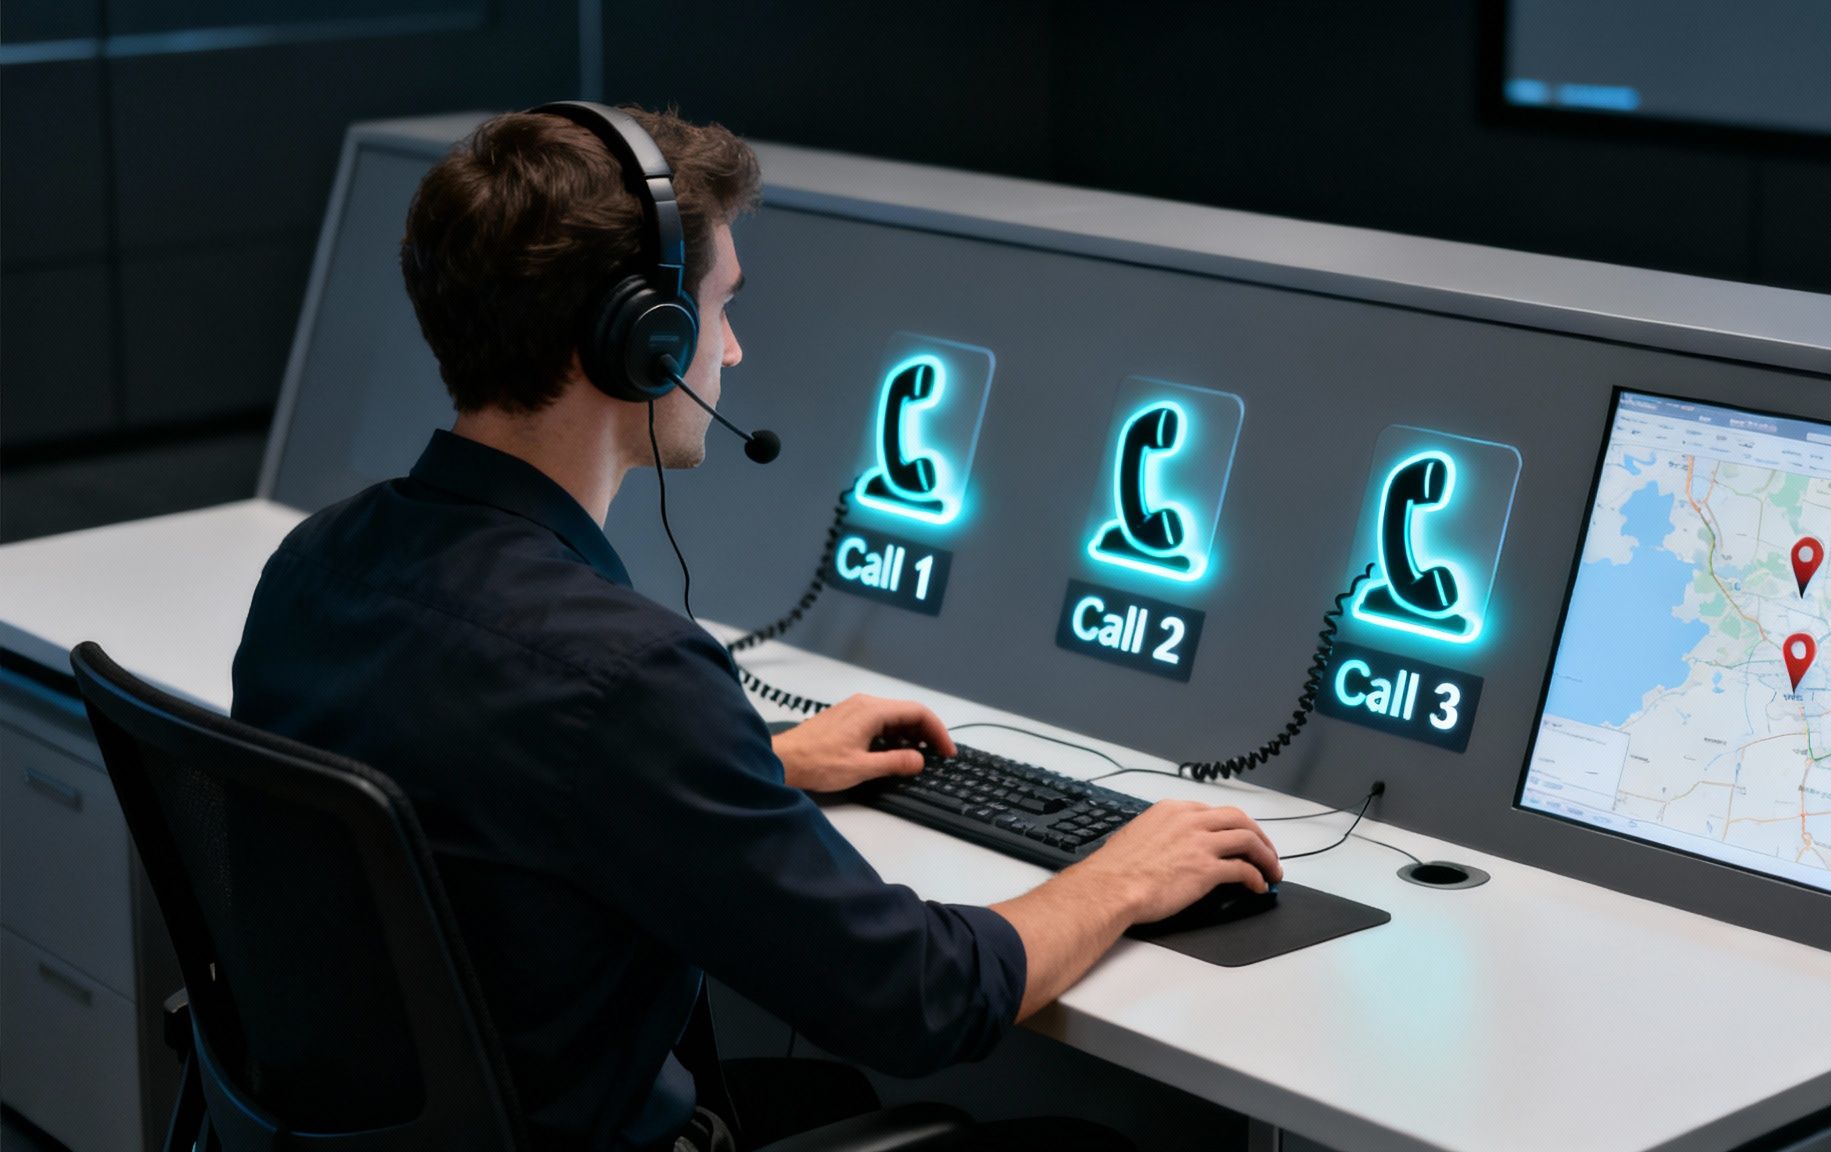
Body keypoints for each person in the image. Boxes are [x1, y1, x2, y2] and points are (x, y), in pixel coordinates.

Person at [231, 103, 1281, 1152]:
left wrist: (754, 766)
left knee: (816, 1096)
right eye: (718, 307)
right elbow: (914, 997)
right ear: (641, 340)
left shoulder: (314, 566)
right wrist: (1121, 876)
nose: (730, 349)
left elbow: (482, 776)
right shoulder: (626, 679)